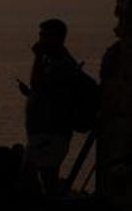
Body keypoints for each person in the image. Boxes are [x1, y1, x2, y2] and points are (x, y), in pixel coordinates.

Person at [16, 17, 82, 194]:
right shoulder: (52, 61)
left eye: (45, 36)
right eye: (40, 35)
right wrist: (31, 94)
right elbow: (47, 92)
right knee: (39, 176)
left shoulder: (62, 63)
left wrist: (37, 57)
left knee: (38, 175)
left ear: (57, 38)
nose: (40, 40)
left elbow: (38, 84)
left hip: (51, 133)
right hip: (43, 133)